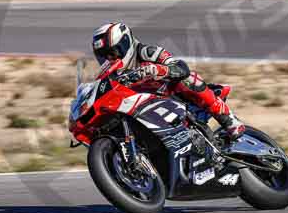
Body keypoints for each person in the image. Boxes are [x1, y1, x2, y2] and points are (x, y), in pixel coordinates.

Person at [91, 22, 245, 139]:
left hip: (172, 99)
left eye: (112, 53)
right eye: (104, 56)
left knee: (188, 79)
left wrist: (158, 70)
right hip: (144, 112)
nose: (109, 59)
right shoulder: (110, 76)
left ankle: (228, 119)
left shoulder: (147, 52)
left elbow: (181, 68)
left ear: (125, 44)